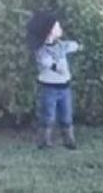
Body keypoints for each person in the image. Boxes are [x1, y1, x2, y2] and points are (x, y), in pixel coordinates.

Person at [25, 11, 82, 149]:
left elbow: (71, 46)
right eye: (57, 27)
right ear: (49, 31)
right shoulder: (41, 50)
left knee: (66, 115)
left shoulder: (61, 45)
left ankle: (69, 139)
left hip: (64, 87)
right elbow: (45, 62)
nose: (60, 29)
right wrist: (56, 67)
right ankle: (44, 141)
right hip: (48, 87)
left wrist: (79, 46)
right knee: (48, 115)